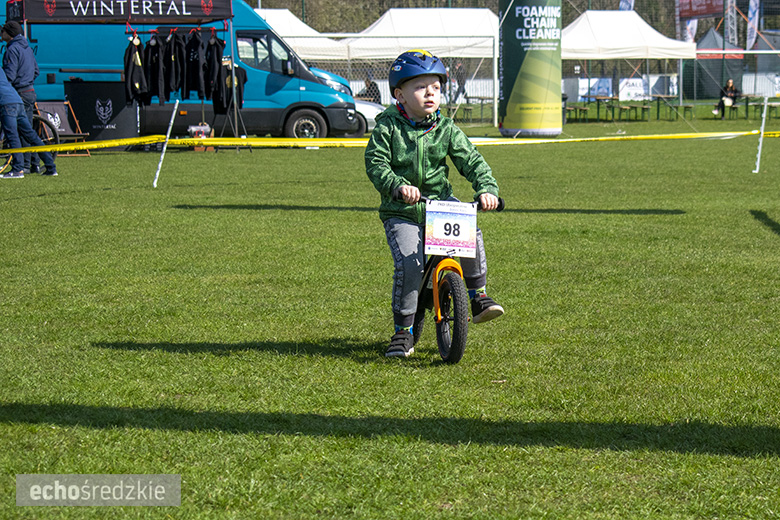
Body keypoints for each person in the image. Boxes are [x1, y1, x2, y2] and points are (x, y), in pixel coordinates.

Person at [365, 50, 503, 358]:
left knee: (469, 231)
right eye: (420, 87)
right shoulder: (388, 127)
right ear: (399, 94)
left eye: (436, 87)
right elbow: (376, 163)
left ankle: (478, 296)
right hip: (403, 211)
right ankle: (403, 332)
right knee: (411, 266)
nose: (430, 93)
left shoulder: (446, 129)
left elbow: (472, 160)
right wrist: (397, 186)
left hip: (439, 206)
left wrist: (486, 189)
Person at [0, 68, 57, 179]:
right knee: (31, 135)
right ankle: (51, 167)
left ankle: (17, 170)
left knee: (12, 136)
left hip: (6, 104)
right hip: (17, 101)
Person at [2, 21, 40, 174]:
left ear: (9, 33)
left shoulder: (12, 49)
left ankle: (22, 165)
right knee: (29, 131)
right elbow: (36, 71)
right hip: (30, 91)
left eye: (3, 31)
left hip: (18, 93)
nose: (1, 34)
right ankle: (35, 163)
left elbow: (9, 75)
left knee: (19, 131)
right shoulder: (27, 48)